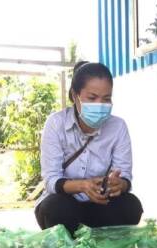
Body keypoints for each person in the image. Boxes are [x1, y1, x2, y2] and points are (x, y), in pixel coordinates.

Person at [36, 61, 143, 234]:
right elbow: (51, 180)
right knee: (56, 208)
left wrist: (118, 184)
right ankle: (72, 237)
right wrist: (82, 186)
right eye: (92, 98)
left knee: (130, 206)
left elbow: (125, 177)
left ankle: (99, 236)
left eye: (106, 99)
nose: (100, 105)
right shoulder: (56, 123)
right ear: (75, 95)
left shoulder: (118, 127)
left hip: (100, 205)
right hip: (66, 206)